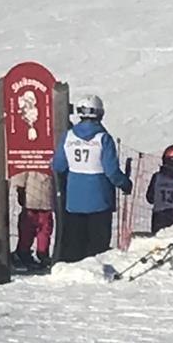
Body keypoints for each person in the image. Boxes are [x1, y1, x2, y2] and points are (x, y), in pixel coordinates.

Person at [52, 94, 131, 261]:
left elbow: (58, 165)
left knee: (74, 243)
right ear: (100, 113)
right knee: (97, 247)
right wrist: (124, 183)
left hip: (74, 200)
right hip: (100, 199)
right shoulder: (103, 138)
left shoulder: (69, 136)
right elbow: (111, 171)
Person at [11, 163, 55, 269]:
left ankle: (25, 251)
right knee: (43, 228)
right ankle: (41, 252)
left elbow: (21, 173)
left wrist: (20, 188)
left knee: (29, 228)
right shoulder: (49, 153)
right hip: (44, 195)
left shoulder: (29, 157)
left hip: (31, 197)